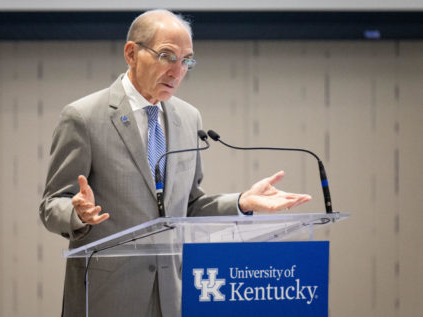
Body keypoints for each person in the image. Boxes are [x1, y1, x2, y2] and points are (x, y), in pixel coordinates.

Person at [39, 9, 311, 317]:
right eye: (167, 56)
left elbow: (189, 206)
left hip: (171, 295)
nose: (177, 71)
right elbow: (51, 205)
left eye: (187, 61)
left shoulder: (187, 117)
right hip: (106, 296)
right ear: (131, 53)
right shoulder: (84, 117)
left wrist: (242, 202)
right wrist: (76, 214)